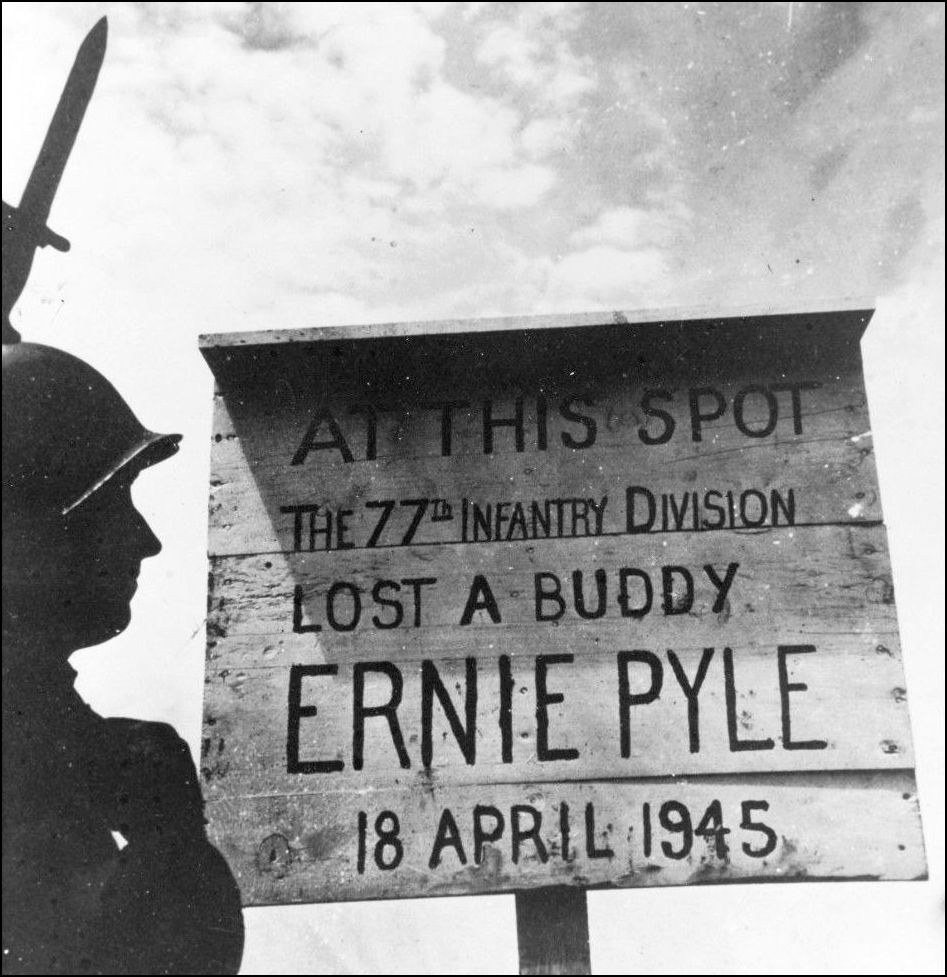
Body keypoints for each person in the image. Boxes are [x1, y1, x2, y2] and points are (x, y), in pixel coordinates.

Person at [2, 340, 245, 975]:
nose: (147, 540)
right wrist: (170, 849)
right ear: (28, 530)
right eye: (111, 502)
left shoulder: (46, 723)